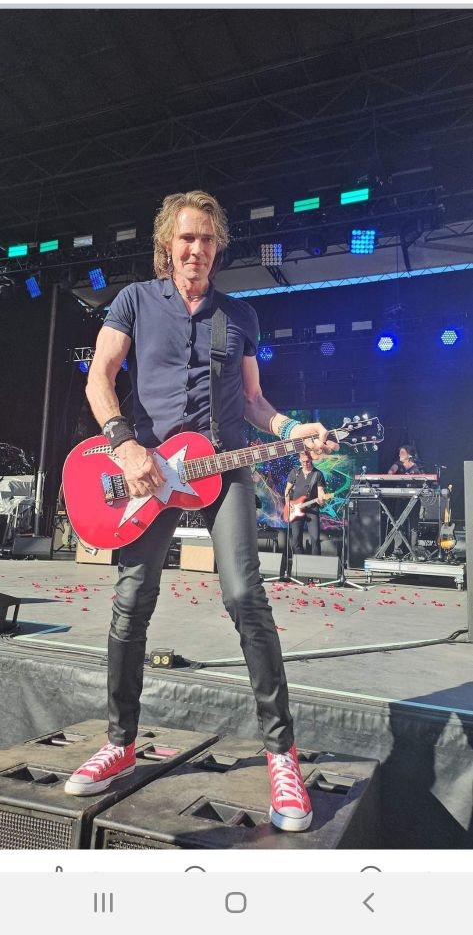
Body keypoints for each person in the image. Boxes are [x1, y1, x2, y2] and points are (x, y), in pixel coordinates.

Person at [64, 189, 336, 832]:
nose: (197, 249)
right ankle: (120, 741)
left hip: (223, 465)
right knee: (133, 599)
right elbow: (100, 376)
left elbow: (253, 401)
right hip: (148, 469)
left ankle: (280, 755)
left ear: (217, 246)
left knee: (246, 596)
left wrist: (292, 427)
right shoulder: (133, 300)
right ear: (168, 245)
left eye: (208, 239)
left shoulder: (238, 313)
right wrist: (124, 445)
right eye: (187, 238)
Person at [284, 450, 327, 555]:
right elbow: (287, 490)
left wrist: (322, 500)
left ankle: (315, 566)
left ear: (311, 460)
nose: (305, 464)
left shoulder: (317, 474)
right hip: (295, 509)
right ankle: (300, 564)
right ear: (299, 460)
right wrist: (288, 504)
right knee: (296, 539)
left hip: (312, 509)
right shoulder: (295, 472)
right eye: (303, 461)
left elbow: (321, 492)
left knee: (315, 538)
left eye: (307, 461)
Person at [388, 444, 423, 556]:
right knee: (398, 523)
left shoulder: (417, 466)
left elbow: (424, 479)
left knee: (414, 525)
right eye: (400, 452)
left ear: (409, 455)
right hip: (401, 498)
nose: (399, 454)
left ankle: (414, 549)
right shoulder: (398, 464)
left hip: (414, 498)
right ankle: (397, 549)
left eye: (402, 452)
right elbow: (390, 472)